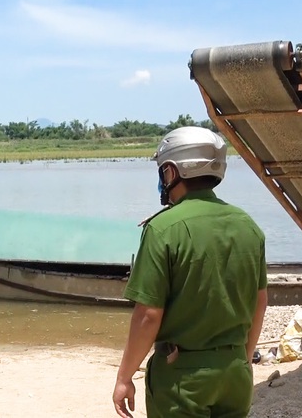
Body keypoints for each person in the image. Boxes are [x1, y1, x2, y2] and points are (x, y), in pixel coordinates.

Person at [112, 126, 268, 418]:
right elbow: (260, 301)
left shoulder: (163, 229)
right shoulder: (248, 225)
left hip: (182, 376)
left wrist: (125, 377)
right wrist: (243, 359)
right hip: (235, 374)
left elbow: (148, 315)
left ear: (171, 173)